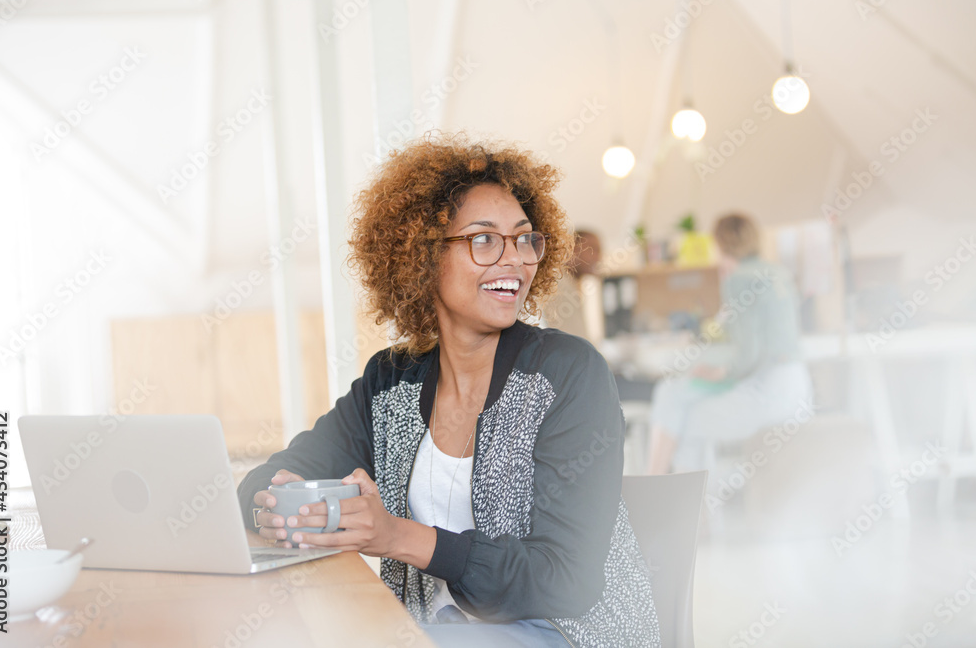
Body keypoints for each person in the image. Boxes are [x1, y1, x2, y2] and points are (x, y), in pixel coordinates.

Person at [237, 135, 661, 647]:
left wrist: (396, 536)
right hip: (434, 631)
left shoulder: (567, 374)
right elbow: (277, 474)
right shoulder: (391, 380)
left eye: (524, 239)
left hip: (565, 633)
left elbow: (566, 581)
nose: (514, 260)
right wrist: (272, 503)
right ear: (422, 256)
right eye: (484, 240)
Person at [646, 213, 813, 474]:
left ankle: (666, 486)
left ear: (720, 243)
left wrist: (719, 373)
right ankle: (681, 491)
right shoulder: (778, 272)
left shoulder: (739, 278)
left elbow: (748, 354)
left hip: (768, 392)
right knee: (683, 410)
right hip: (798, 388)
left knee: (687, 417)